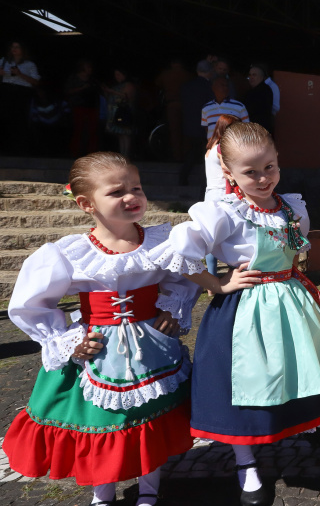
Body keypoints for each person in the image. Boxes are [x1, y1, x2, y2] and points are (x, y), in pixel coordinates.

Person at [151, 122, 320, 506]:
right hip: (246, 310)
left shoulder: (291, 206)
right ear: (229, 173)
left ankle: (314, 428)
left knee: (308, 369)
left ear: (277, 161)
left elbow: (297, 245)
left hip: (294, 302)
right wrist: (216, 284)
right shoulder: (223, 212)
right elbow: (178, 252)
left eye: (269, 167)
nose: (263, 178)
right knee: (247, 384)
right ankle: (245, 461)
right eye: (250, 172)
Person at [3, 152, 198, 506]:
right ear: (86, 203)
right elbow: (30, 303)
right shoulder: (69, 253)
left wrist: (172, 305)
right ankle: (102, 492)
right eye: (116, 191)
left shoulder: (162, 241)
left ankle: (150, 488)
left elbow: (183, 277)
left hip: (151, 344)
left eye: (136, 187)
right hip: (99, 348)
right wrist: (67, 340)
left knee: (148, 416)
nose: (131, 196)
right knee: (104, 418)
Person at [201, 113, 243, 282]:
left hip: (210, 194)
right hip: (222, 195)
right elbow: (228, 171)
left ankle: (212, 278)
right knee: (229, 235)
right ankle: (232, 273)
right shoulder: (221, 148)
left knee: (212, 238)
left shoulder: (210, 148)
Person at [0, 41, 41, 153]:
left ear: (22, 50)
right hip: (6, 91)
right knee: (4, 119)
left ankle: (19, 149)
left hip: (21, 93)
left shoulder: (30, 64)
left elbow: (36, 82)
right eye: (12, 46)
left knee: (19, 121)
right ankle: (4, 148)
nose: (14, 49)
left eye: (17, 47)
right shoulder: (3, 61)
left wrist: (20, 74)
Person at [179, 60, 215, 184]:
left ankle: (184, 176)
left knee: (193, 150)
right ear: (210, 72)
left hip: (189, 122)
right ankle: (203, 180)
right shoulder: (209, 86)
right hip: (205, 124)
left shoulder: (186, 86)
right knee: (204, 152)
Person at [66, 60, 101, 156]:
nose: (90, 69)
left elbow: (99, 91)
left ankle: (92, 152)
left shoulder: (93, 79)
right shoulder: (74, 78)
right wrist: (82, 88)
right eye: (88, 67)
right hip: (78, 106)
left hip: (92, 107)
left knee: (92, 130)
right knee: (78, 129)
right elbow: (68, 91)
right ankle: (75, 152)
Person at [103, 67, 138, 159]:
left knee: (125, 134)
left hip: (124, 112)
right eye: (115, 75)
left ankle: (126, 155)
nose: (117, 77)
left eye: (119, 74)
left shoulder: (128, 85)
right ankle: (123, 154)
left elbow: (126, 96)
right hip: (115, 113)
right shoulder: (116, 85)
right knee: (120, 134)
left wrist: (112, 92)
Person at [244, 64, 274, 133]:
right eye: (250, 75)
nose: (251, 77)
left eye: (254, 75)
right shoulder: (264, 90)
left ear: (261, 77)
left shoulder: (263, 91)